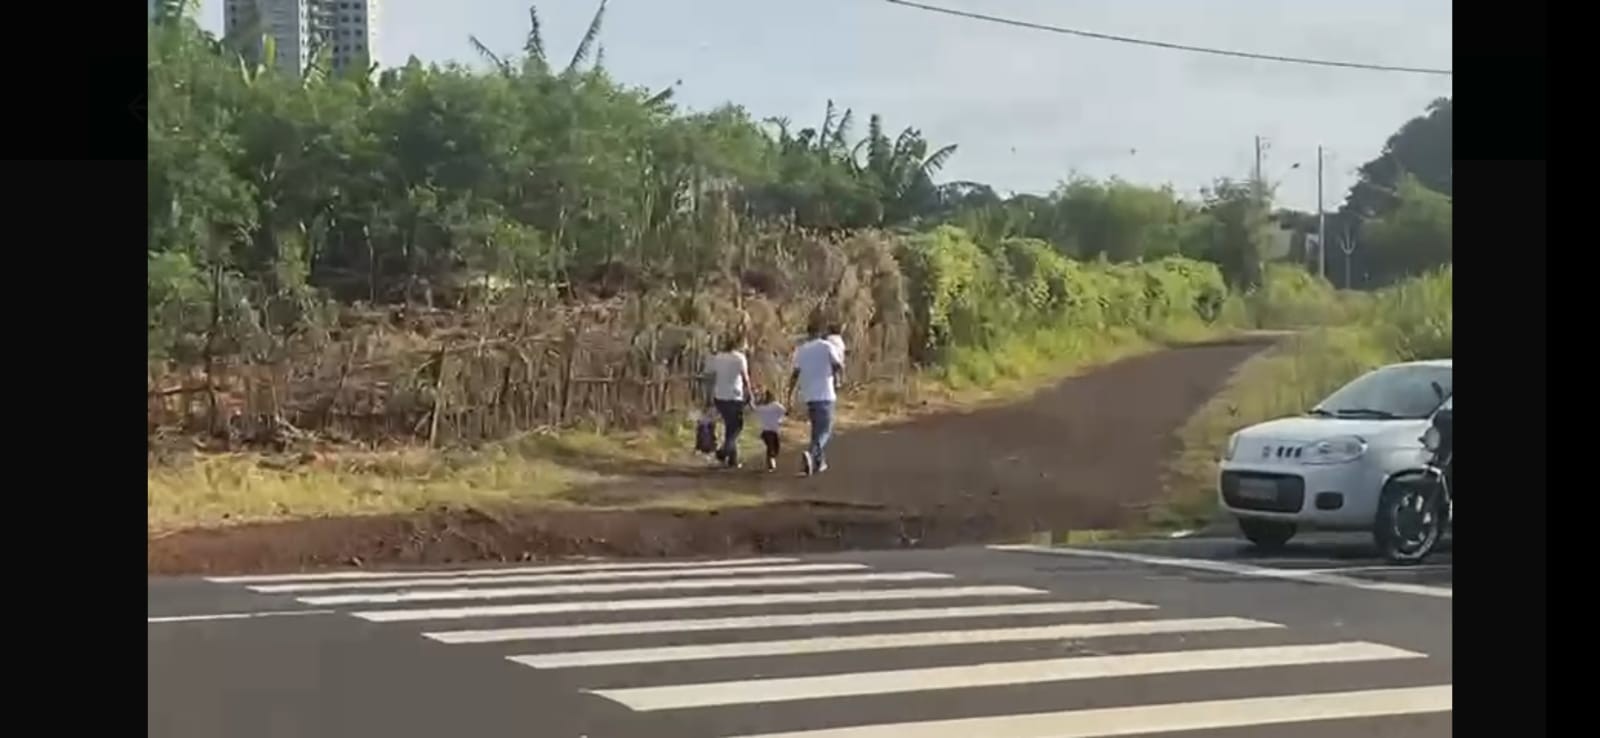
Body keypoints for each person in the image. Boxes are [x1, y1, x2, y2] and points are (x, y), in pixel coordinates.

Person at [788, 325, 843, 475]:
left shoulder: (802, 349)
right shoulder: (827, 346)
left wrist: (790, 394)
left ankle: (818, 463)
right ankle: (811, 454)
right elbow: (838, 365)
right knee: (825, 430)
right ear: (821, 332)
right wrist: (838, 379)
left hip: (809, 395)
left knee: (816, 430)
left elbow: (795, 373)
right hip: (825, 394)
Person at [702, 335, 753, 468]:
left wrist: (708, 396)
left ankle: (733, 460)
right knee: (737, 426)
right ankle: (724, 451)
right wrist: (750, 395)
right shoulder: (739, 358)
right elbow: (745, 378)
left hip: (719, 396)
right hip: (734, 396)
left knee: (730, 426)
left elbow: (710, 376)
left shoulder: (718, 357)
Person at [752, 390, 786, 472]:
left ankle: (771, 460)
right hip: (768, 431)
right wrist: (780, 418)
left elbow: (783, 410)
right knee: (771, 447)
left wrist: (780, 418)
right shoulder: (765, 407)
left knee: (775, 448)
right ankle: (771, 463)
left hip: (772, 431)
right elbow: (784, 410)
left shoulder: (773, 406)